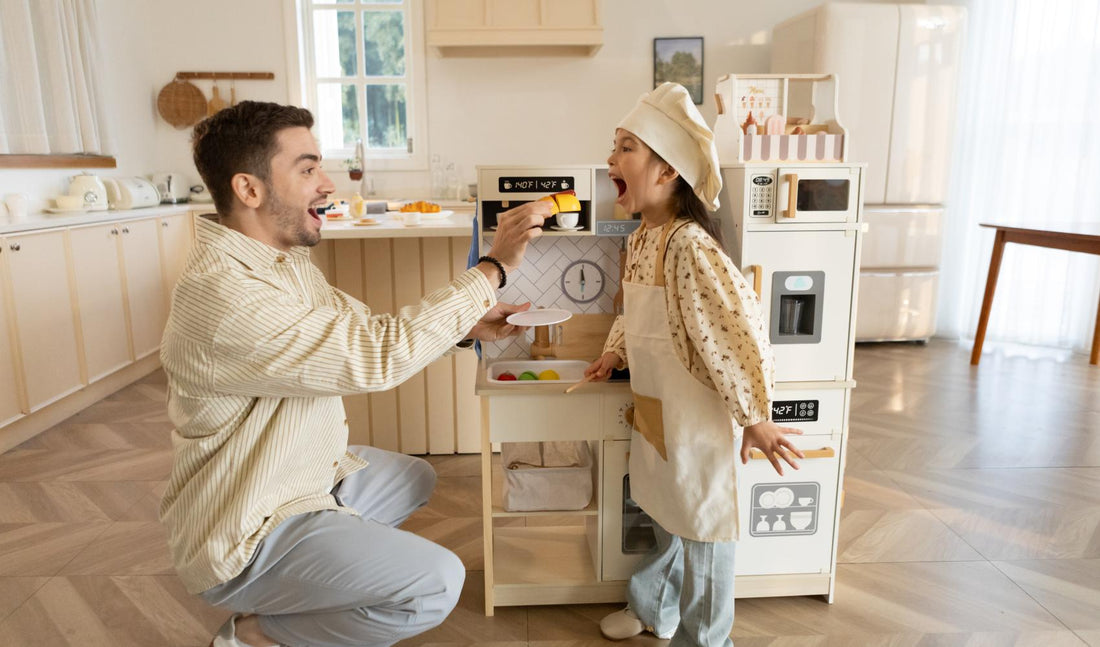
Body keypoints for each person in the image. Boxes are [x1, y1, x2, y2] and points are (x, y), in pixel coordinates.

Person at [158, 101, 552, 647]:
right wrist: (494, 267)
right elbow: (376, 356)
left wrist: (465, 328)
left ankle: (328, 567)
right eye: (308, 168)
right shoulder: (223, 295)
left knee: (416, 477)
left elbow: (367, 330)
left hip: (295, 481)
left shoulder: (280, 263)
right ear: (249, 190)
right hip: (246, 527)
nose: (328, 183)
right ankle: (254, 634)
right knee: (436, 584)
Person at [585, 83, 804, 647]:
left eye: (626, 147)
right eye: (615, 146)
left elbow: (735, 335)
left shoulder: (691, 246)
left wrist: (755, 414)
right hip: (660, 416)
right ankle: (654, 607)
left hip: (698, 423)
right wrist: (615, 350)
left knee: (702, 533)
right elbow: (633, 312)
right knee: (666, 517)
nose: (612, 159)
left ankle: (706, 640)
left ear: (667, 171)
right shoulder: (642, 239)